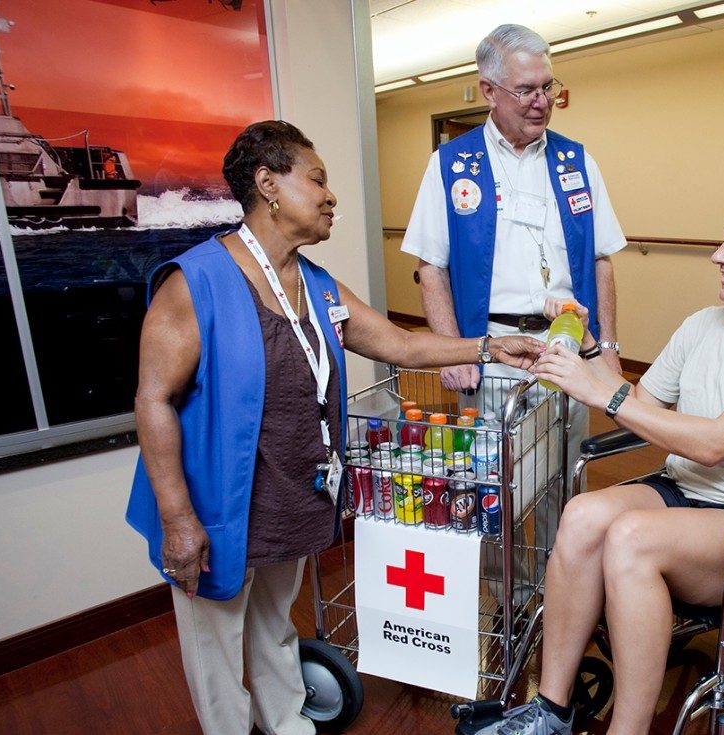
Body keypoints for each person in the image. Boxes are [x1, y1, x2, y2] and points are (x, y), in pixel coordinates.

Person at [126, 121, 543, 735]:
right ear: (268, 185)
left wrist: (487, 347)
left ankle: (288, 723)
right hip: (219, 503)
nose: (331, 197)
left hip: (291, 492)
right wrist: (177, 519)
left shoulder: (317, 286)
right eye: (316, 180)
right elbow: (153, 399)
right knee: (216, 642)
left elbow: (400, 343)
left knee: (273, 626)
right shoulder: (196, 283)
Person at [477, 190, 724, 735]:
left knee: (633, 536)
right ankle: (549, 712)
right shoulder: (705, 325)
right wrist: (587, 350)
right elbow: (641, 405)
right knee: (584, 513)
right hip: (687, 490)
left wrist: (602, 395)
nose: (717, 254)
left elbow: (713, 444)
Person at [400, 23, 628, 576]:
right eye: (526, 90)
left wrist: (610, 350)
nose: (541, 101)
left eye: (548, 87)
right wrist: (455, 351)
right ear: (489, 91)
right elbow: (431, 267)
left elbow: (602, 260)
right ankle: (508, 600)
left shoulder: (576, 162)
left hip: (567, 346)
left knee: (565, 477)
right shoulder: (452, 165)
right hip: (492, 349)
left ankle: (560, 590)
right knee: (495, 483)